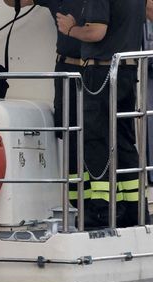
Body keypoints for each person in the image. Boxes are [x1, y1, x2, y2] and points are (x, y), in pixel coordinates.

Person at [57, 0, 146, 228]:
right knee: (123, 141)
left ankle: (101, 212)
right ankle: (136, 211)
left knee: (95, 140)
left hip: (102, 71)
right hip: (127, 70)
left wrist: (70, 29)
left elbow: (96, 32)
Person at [4, 0, 85, 209]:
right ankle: (77, 199)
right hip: (67, 69)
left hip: (97, 70)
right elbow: (12, 2)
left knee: (96, 133)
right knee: (69, 131)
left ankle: (96, 201)